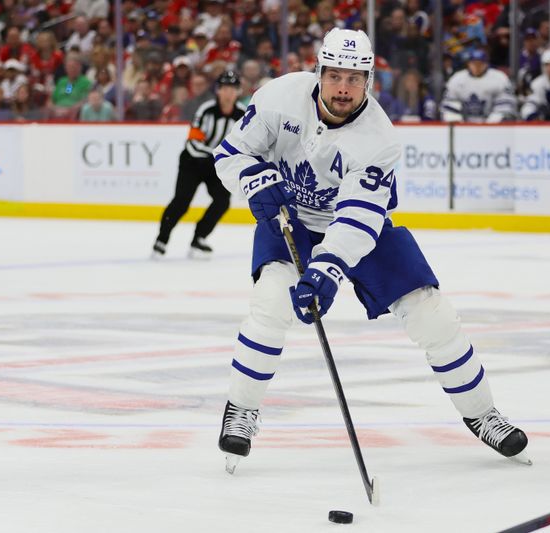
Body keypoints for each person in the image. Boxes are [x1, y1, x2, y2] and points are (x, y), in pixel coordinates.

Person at [212, 28, 530, 475]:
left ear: (370, 81)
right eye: (335, 75)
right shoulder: (279, 97)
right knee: (270, 303)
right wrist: (252, 178)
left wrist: (325, 271)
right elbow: (229, 154)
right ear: (319, 72)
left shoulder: (379, 139)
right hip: (291, 220)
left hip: (358, 228)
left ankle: (482, 413)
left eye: (355, 78)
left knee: (431, 312)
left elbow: (356, 222)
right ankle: (241, 410)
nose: (344, 87)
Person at [151, 70, 246, 259]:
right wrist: (218, 156)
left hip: (217, 166)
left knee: (222, 201)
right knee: (181, 202)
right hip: (192, 162)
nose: (228, 93)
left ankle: (199, 238)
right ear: (218, 90)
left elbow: (245, 143)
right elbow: (193, 142)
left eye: (232, 89)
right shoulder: (206, 110)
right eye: (225, 88)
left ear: (238, 91)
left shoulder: (242, 115)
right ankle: (161, 240)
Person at [439, 48, 517, 123]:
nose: (476, 67)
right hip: (463, 127)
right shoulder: (457, 78)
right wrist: (457, 122)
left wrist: (491, 124)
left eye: (480, 63)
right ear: (468, 64)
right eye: (474, 63)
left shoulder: (499, 78)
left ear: (486, 64)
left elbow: (505, 105)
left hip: (493, 128)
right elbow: (450, 103)